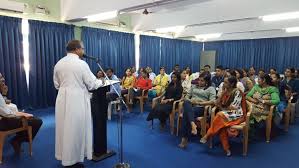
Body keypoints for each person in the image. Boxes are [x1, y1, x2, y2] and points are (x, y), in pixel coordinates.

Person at [53, 40, 105, 168]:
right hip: (76, 100)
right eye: (83, 48)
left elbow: (56, 84)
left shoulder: (59, 63)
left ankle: (65, 157)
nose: (83, 51)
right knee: (76, 129)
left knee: (64, 128)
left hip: (62, 99)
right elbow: (92, 83)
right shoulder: (81, 64)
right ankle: (74, 160)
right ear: (77, 49)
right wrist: (102, 82)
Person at [200, 76, 246, 156]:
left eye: (225, 82)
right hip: (225, 114)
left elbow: (233, 107)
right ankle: (226, 148)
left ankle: (208, 134)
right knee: (221, 126)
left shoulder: (237, 92)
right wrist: (219, 98)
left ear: (231, 84)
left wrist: (222, 107)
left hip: (237, 114)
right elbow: (218, 103)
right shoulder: (225, 92)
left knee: (219, 115)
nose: (223, 84)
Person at [0, 73, 42, 155]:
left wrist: (4, 94)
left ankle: (17, 140)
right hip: (3, 122)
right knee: (37, 121)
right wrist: (22, 115)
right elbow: (7, 114)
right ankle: (17, 140)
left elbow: (4, 106)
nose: (3, 79)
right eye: (0, 78)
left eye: (2, 77)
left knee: (20, 112)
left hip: (4, 118)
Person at [179, 72, 216, 148]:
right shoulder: (193, 86)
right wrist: (191, 101)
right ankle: (193, 125)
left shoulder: (211, 88)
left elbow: (213, 101)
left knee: (186, 113)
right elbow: (187, 96)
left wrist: (201, 103)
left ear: (207, 82)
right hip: (190, 105)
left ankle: (184, 139)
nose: (199, 82)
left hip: (201, 108)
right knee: (186, 102)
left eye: (202, 81)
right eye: (199, 80)